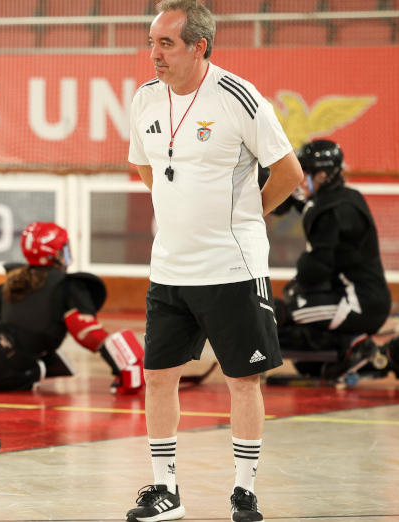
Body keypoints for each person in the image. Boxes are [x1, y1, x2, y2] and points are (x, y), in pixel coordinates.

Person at [124, 1, 304, 521]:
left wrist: (246, 215)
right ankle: (165, 491)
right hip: (169, 269)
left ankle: (243, 491)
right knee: (158, 376)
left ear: (199, 46)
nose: (153, 54)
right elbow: (144, 167)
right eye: (152, 41)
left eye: (166, 44)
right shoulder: (145, 99)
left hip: (232, 268)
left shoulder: (238, 98)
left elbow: (288, 173)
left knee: (242, 380)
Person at [270, 140, 399, 386]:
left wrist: (298, 283)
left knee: (285, 308)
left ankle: (359, 348)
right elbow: (319, 216)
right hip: (366, 298)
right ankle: (363, 352)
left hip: (358, 304)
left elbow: (316, 269)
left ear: (322, 175)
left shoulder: (330, 211)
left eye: (306, 174)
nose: (300, 181)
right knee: (294, 304)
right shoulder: (346, 198)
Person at [0, 221, 144, 393]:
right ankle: (39, 368)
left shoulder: (13, 280)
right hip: (15, 375)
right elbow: (88, 332)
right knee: (51, 358)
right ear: (56, 253)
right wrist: (126, 372)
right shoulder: (68, 285)